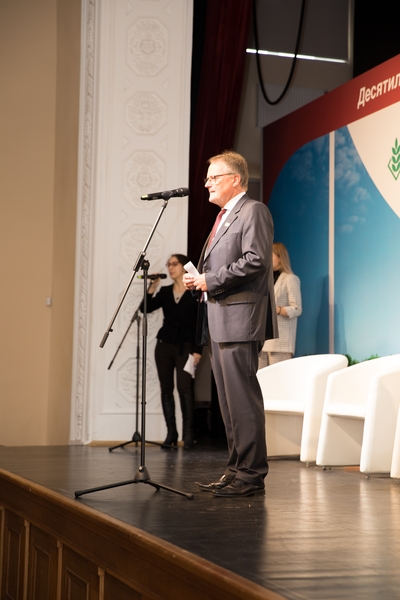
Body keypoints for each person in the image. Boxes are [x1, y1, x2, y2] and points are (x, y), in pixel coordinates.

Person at [183, 150, 278, 497]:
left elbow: (256, 260)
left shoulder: (253, 211)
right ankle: (236, 469)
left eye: (214, 177)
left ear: (235, 179)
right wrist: (200, 281)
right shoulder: (222, 217)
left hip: (240, 318)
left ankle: (251, 476)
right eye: (207, 178)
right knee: (228, 402)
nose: (207, 183)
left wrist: (210, 279)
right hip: (220, 318)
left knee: (242, 400)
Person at [141, 254, 202, 449]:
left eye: (174, 264)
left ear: (184, 267)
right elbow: (144, 309)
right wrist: (152, 287)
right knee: (166, 389)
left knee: (184, 389)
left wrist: (198, 350)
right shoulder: (166, 292)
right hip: (164, 346)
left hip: (186, 347)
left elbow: (200, 323)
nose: (170, 267)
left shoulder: (195, 292)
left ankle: (188, 434)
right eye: (168, 264)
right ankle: (171, 433)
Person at [258, 242, 302, 369]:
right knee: (261, 380)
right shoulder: (264, 281)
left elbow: (297, 308)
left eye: (270, 255)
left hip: (280, 344)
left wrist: (277, 309)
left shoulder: (290, 279)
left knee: (278, 379)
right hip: (262, 343)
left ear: (280, 258)